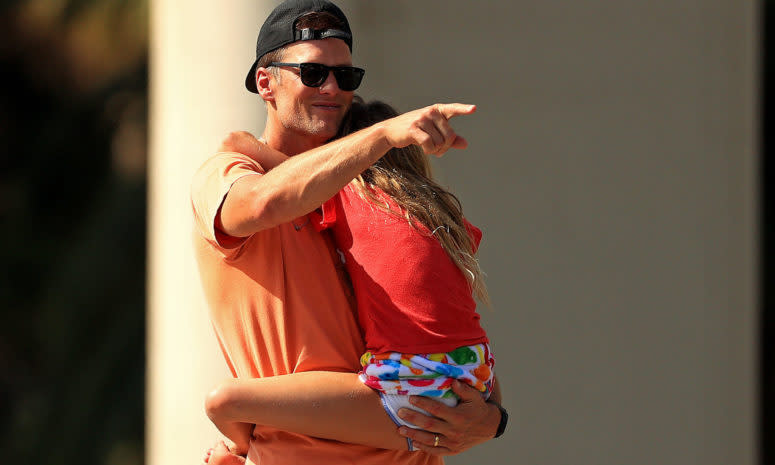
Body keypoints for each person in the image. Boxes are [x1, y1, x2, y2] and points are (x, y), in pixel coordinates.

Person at [190, 1, 506, 464]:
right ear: (266, 82)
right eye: (314, 74)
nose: (333, 88)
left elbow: (445, 324)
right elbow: (263, 202)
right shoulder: (230, 172)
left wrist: (493, 419)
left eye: (346, 76)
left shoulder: (369, 190)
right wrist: (383, 137)